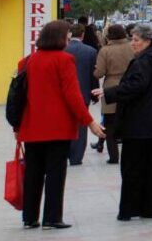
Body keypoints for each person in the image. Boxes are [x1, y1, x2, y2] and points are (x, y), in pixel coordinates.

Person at [16, 20, 105, 230]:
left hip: (31, 126)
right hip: (58, 127)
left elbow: (18, 96)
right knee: (56, 173)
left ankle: (29, 217)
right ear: (59, 37)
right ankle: (52, 217)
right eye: (66, 35)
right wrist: (89, 121)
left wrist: (16, 126)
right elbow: (73, 96)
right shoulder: (64, 60)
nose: (68, 39)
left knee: (33, 172)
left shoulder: (27, 61)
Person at [93, 23, 152, 222]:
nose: (133, 43)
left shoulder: (144, 61)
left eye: (136, 40)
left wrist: (109, 92)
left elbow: (135, 86)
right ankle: (150, 208)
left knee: (131, 167)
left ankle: (129, 209)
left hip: (139, 124)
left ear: (148, 41)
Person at [93, 24, 136, 164]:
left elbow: (99, 73)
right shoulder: (132, 47)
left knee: (110, 125)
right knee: (130, 122)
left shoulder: (105, 50)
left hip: (110, 88)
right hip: (129, 86)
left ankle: (113, 156)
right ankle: (131, 155)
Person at [64, 23, 98, 166]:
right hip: (83, 92)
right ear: (82, 34)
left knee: (64, 123)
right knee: (81, 125)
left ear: (70, 34)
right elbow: (94, 74)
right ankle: (76, 157)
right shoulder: (90, 51)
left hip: (64, 94)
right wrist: (94, 93)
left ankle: (64, 152)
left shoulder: (63, 49)